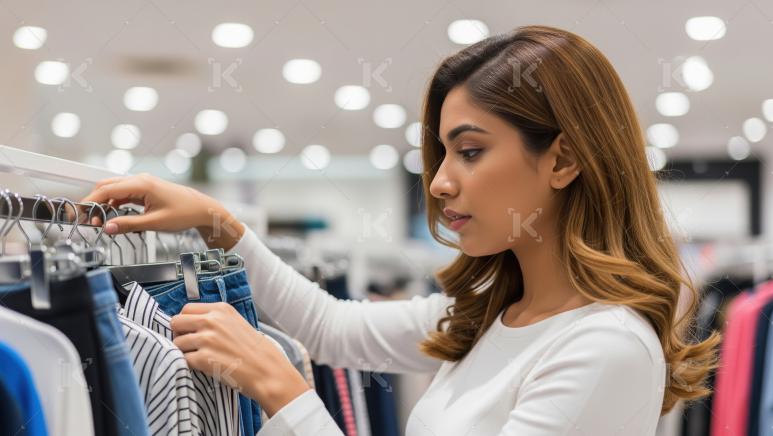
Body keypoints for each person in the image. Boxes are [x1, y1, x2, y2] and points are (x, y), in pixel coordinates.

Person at [82, 25, 719, 435]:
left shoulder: (603, 349)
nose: (439, 184)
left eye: (469, 152)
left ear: (563, 159)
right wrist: (219, 223)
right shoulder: (492, 315)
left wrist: (281, 389)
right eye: (441, 155)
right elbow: (332, 327)